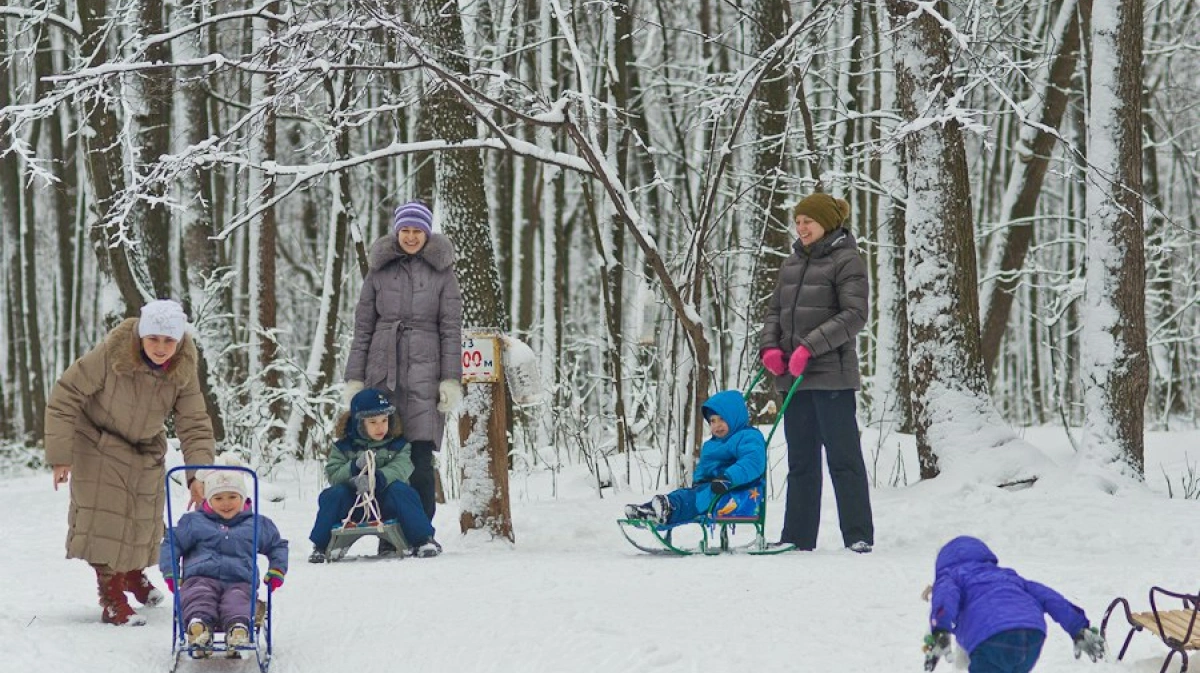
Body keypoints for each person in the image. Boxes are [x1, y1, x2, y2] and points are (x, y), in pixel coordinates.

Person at [44, 299, 215, 626]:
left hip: (145, 445)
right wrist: (60, 456)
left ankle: (133, 573)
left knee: (143, 519)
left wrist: (198, 475)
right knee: (106, 518)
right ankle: (112, 595)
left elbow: (194, 422)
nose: (161, 348)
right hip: (97, 437)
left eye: (169, 341)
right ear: (140, 335)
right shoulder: (111, 355)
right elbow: (66, 394)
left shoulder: (182, 369)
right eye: (154, 339)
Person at [759, 192, 874, 553]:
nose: (801, 227)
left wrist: (809, 346)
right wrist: (771, 348)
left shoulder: (847, 260)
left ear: (826, 222)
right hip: (795, 380)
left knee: (844, 459)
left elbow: (854, 315)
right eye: (798, 221)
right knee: (801, 461)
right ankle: (797, 536)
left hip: (832, 376)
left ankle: (858, 534)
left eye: (807, 220)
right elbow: (774, 312)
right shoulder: (791, 263)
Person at [344, 200, 463, 525]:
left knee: (421, 459)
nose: (411, 237)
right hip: (382, 372)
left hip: (426, 373)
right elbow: (363, 327)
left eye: (417, 231)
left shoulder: (443, 272)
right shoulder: (378, 271)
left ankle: (422, 530)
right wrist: (355, 378)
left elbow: (451, 328)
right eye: (405, 231)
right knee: (384, 457)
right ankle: (388, 529)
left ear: (427, 234)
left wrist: (451, 379)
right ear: (397, 232)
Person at [923, 536, 1105, 672]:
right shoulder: (1008, 576)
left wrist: (940, 630)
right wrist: (1078, 628)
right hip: (1032, 636)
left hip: (990, 639)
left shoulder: (950, 576)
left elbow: (945, 598)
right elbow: (1050, 598)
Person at [160, 462, 288, 650]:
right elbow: (172, 543)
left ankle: (238, 628)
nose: (226, 503)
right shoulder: (194, 522)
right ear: (208, 500)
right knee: (197, 595)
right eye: (218, 498)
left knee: (239, 599)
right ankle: (199, 626)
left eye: (232, 497)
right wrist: (171, 572)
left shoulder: (256, 524)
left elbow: (277, 545)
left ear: (243, 497)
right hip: (200, 577)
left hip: (240, 580)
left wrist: (277, 569)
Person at [308, 388, 442, 561]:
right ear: (359, 423)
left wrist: (377, 478)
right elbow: (333, 473)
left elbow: (402, 468)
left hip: (386, 503)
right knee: (332, 495)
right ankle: (321, 545)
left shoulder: (398, 445)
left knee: (402, 491)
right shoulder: (343, 447)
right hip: (354, 504)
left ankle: (423, 539)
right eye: (373, 422)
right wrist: (354, 469)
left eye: (384, 420)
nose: (380, 427)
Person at [624, 390, 765, 526]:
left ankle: (665, 510)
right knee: (687, 494)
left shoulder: (748, 437)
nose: (717, 425)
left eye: (722, 419)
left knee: (695, 499)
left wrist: (728, 477)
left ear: (734, 417)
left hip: (737, 489)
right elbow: (705, 466)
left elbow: (753, 461)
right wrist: (700, 479)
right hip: (714, 487)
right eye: (713, 421)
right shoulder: (712, 444)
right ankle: (650, 509)